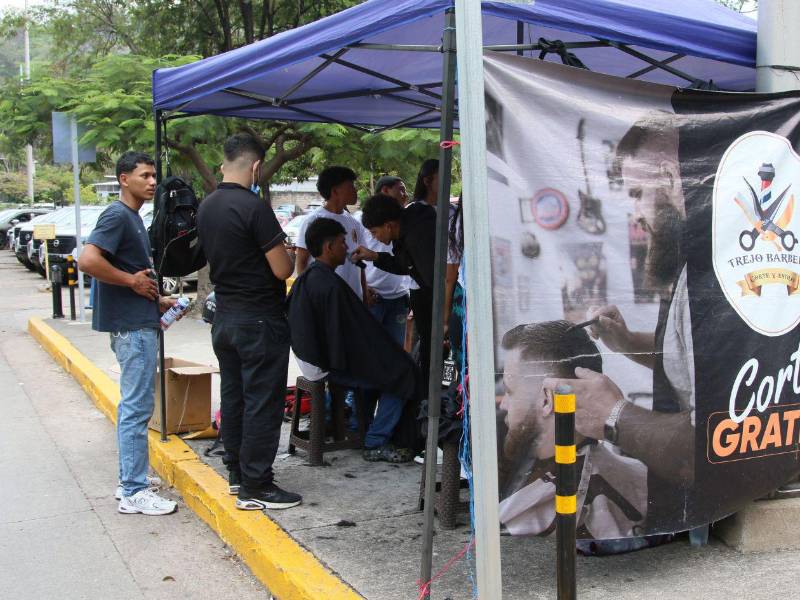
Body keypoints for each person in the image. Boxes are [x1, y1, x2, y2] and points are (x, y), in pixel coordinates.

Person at [542, 117, 695, 533]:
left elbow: (713, 440)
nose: (636, 215)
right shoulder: (686, 269)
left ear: (669, 178)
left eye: (637, 194)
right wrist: (625, 342)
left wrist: (613, 413)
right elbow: (689, 360)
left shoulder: (710, 276)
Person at [196, 132, 300, 510]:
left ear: (225, 162)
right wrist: (288, 254)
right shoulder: (254, 208)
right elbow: (282, 269)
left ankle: (237, 473)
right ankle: (257, 484)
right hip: (259, 320)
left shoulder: (207, 205)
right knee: (262, 401)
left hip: (225, 317)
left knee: (235, 396)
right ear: (256, 166)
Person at [79, 151, 177, 516]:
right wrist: (131, 282)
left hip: (138, 321)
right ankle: (134, 491)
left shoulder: (132, 217)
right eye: (144, 176)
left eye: (154, 176)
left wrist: (155, 298)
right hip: (132, 330)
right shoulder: (117, 215)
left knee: (135, 407)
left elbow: (129, 273)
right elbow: (88, 260)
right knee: (137, 409)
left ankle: (131, 480)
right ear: (124, 179)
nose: (152, 182)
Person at [497, 321, 648, 540]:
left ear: (546, 400)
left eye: (510, 392)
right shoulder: (641, 475)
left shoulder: (525, 517)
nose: (503, 404)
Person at [287, 218, 420, 461]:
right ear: (329, 247)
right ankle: (375, 441)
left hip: (312, 354)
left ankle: (362, 426)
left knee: (387, 366)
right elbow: (349, 338)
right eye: (342, 243)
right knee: (405, 372)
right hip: (324, 362)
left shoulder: (310, 277)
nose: (346, 248)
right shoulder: (328, 285)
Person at [353, 193, 437, 402]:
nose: (374, 238)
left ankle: (428, 405)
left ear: (389, 225)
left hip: (436, 305)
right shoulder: (407, 232)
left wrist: (443, 320)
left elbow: (433, 279)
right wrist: (375, 256)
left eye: (374, 232)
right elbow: (406, 265)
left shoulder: (417, 237)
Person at [295, 166, 368, 303]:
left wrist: (365, 295)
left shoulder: (354, 222)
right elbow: (301, 262)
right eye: (350, 186)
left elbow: (360, 263)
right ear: (335, 191)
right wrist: (306, 297)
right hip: (326, 301)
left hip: (354, 300)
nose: (355, 190)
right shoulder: (312, 221)